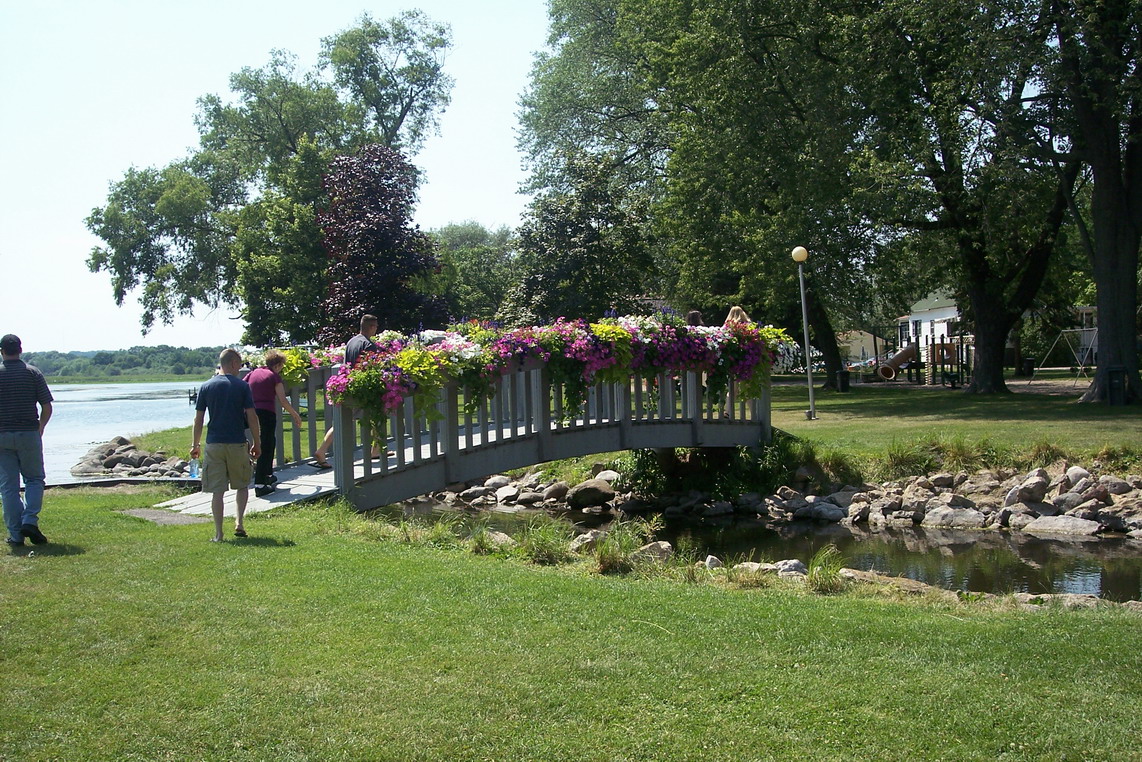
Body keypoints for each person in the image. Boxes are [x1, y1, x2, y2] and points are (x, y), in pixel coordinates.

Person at [191, 348, 260, 542]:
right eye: (239, 364)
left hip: (214, 444)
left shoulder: (206, 386)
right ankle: (239, 523)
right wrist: (257, 442)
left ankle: (219, 533)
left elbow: (198, 419)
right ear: (233, 363)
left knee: (217, 491)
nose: (240, 368)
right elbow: (252, 416)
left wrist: (195, 444)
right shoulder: (242, 386)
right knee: (242, 485)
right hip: (237, 443)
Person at [0, 334, 52, 548]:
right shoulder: (33, 373)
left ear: (2, 351)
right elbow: (47, 406)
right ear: (20, 350)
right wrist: (41, 426)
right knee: (34, 479)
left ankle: (16, 536)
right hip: (29, 433)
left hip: (2, 435)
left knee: (8, 487)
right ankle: (29, 520)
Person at [313, 314, 380, 467]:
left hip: (348, 385)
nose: (376, 329)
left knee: (346, 420)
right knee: (376, 415)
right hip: (362, 389)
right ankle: (322, 450)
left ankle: (322, 450)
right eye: (376, 326)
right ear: (371, 327)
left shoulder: (351, 342)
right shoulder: (369, 345)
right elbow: (370, 368)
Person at [246, 349, 303, 497]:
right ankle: (260, 484)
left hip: (250, 412)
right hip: (266, 413)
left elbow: (242, 386)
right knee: (266, 444)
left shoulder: (253, 373)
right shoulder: (274, 376)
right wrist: (295, 414)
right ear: (277, 365)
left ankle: (268, 475)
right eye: (282, 366)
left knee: (269, 442)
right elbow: (283, 400)